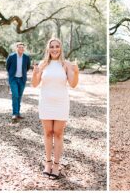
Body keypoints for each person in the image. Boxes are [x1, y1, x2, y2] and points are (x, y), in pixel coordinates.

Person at [32, 37, 79, 179]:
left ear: (61, 48)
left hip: (61, 102)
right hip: (45, 102)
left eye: (57, 46)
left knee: (58, 133)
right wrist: (34, 74)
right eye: (52, 46)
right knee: (47, 133)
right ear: (48, 49)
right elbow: (35, 84)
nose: (54, 49)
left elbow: (73, 84)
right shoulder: (43, 64)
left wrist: (76, 73)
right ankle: (47, 163)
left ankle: (57, 165)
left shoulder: (66, 64)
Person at [6, 42, 31, 121]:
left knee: (19, 96)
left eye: (22, 47)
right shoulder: (11, 56)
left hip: (22, 79)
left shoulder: (26, 57)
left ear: (24, 49)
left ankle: (18, 113)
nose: (21, 49)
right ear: (16, 48)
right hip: (13, 78)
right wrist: (11, 74)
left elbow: (27, 67)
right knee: (15, 95)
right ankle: (14, 114)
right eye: (19, 47)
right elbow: (7, 67)